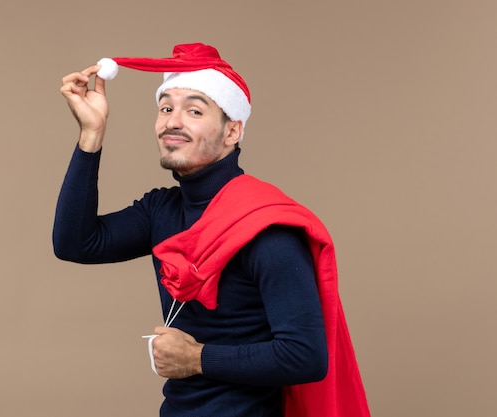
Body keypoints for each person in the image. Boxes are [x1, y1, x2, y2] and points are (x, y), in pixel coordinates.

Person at [53, 43, 370, 417]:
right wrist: (92, 135)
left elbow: (306, 356)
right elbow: (75, 243)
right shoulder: (160, 210)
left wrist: (196, 358)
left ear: (232, 131)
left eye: (194, 110)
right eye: (166, 107)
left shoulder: (264, 227)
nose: (172, 120)